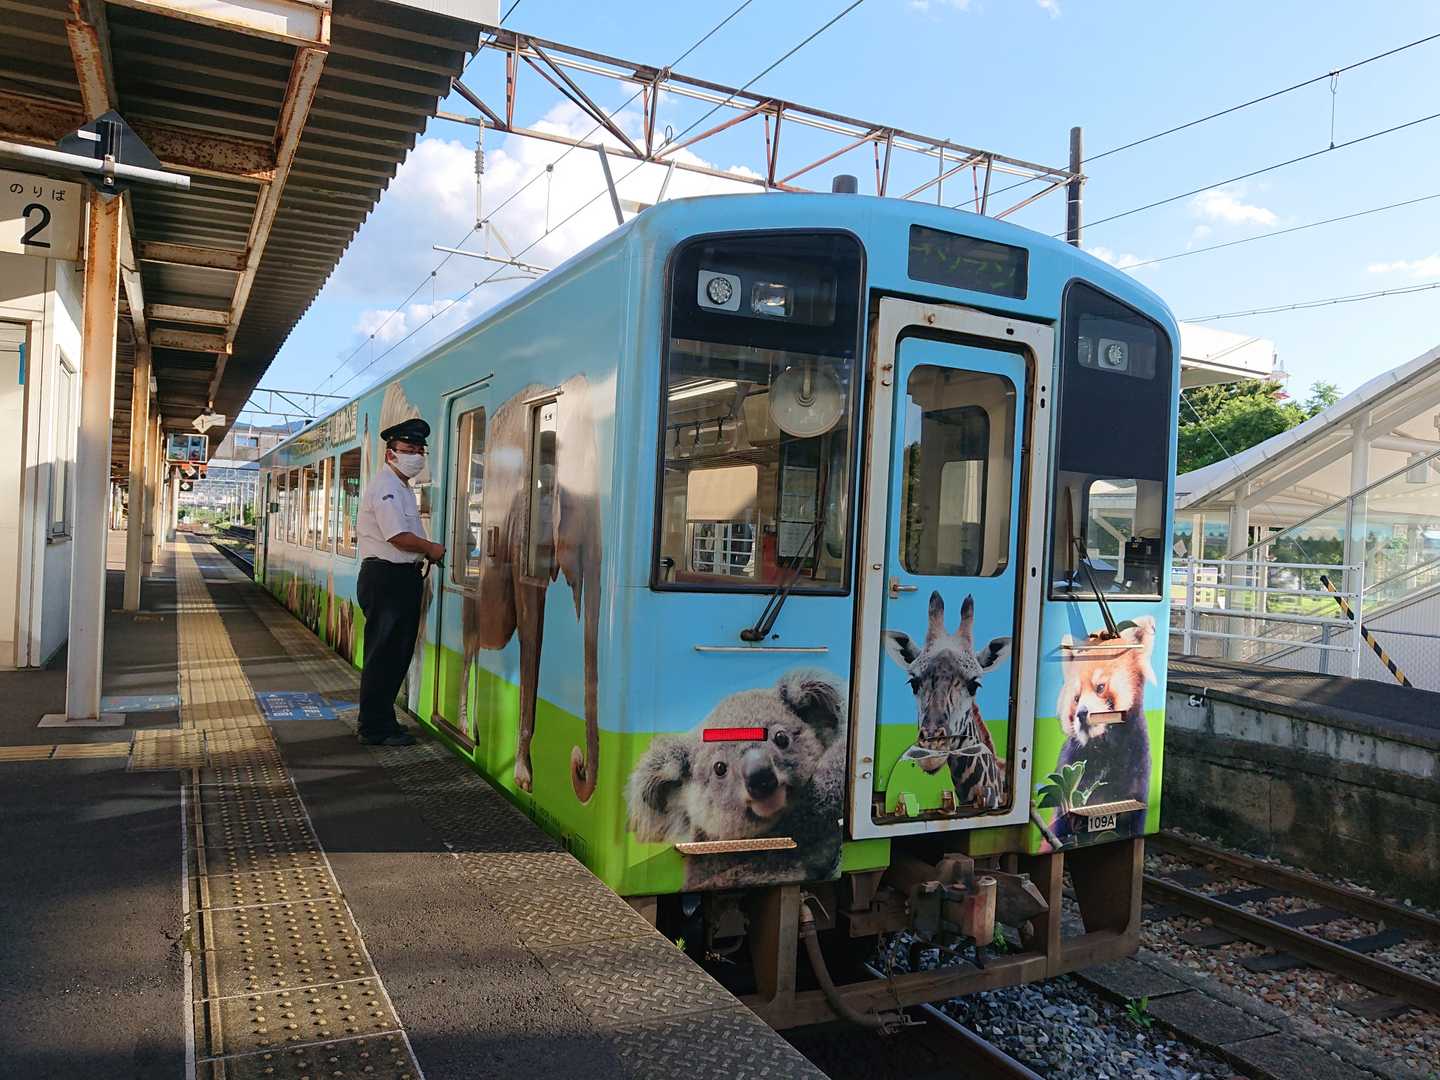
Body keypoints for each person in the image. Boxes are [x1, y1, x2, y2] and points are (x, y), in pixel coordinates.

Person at [354, 417, 445, 746]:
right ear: (390, 453)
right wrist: (430, 548)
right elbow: (397, 536)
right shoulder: (387, 487)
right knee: (384, 655)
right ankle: (373, 728)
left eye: (420, 450)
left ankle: (383, 721)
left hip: (398, 580)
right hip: (387, 580)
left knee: (395, 655)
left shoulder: (401, 486)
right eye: (409, 448)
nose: (416, 455)